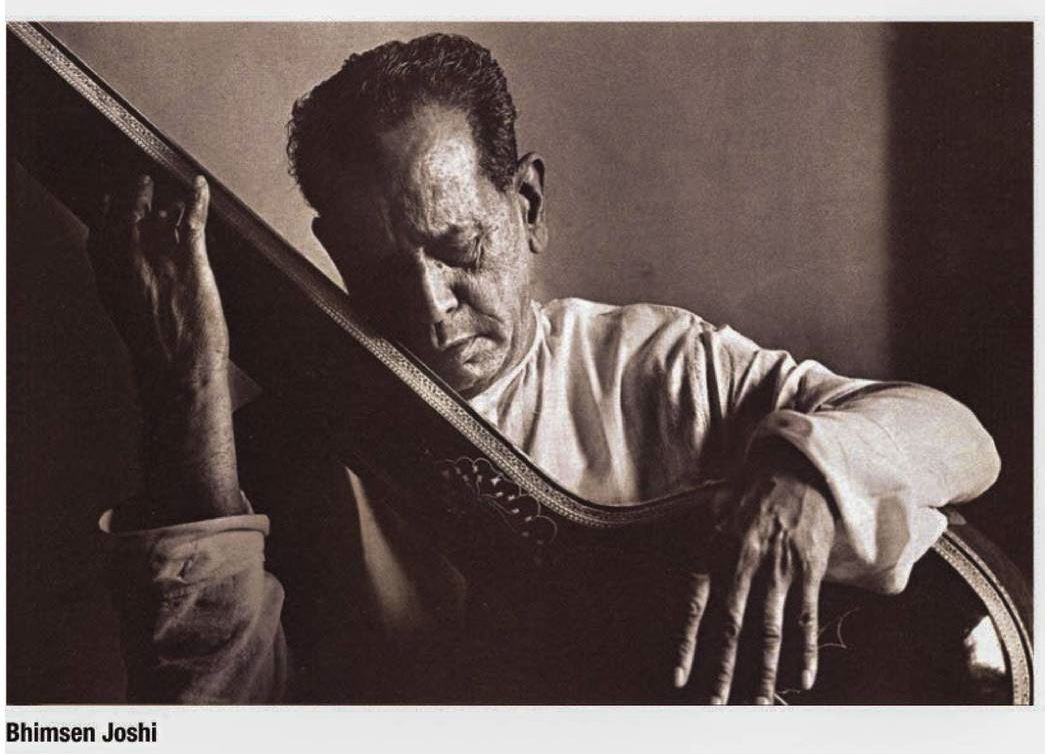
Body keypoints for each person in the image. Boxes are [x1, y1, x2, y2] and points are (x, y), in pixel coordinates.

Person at [90, 33, 1001, 704]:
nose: (432, 308)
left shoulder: (655, 368)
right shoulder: (284, 446)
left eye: (460, 249)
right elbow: (210, 719)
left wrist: (807, 473)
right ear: (333, 252)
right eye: (381, 271)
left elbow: (962, 440)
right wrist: (186, 394)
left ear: (525, 203)